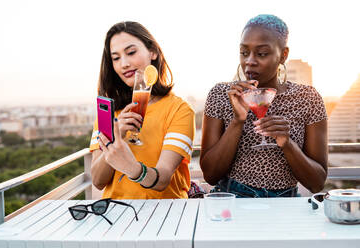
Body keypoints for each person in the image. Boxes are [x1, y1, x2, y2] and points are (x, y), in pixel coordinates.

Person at [200, 14, 328, 198]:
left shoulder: (308, 98)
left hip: (286, 204)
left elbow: (316, 183)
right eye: (244, 52)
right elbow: (211, 175)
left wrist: (287, 143)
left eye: (261, 54)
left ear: (283, 55)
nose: (250, 61)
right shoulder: (221, 94)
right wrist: (237, 121)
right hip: (232, 201)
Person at [90, 21, 195, 199]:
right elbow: (98, 181)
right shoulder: (108, 113)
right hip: (117, 215)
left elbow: (162, 180)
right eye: (115, 58)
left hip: (167, 215)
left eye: (131, 52)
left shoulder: (179, 110)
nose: (124, 64)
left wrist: (133, 168)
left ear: (152, 51)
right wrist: (116, 137)